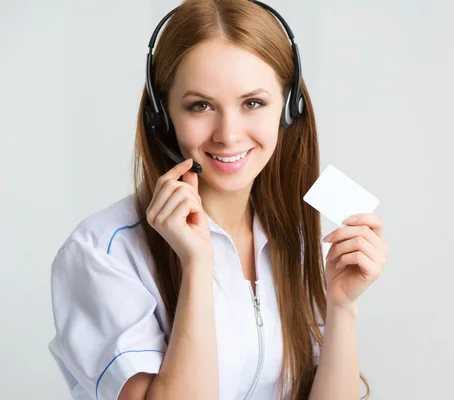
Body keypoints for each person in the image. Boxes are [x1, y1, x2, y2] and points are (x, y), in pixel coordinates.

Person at [48, 0, 389, 399]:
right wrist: (197, 266)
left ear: (289, 107)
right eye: (201, 106)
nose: (228, 134)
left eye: (253, 103)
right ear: (162, 116)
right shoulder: (102, 253)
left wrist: (341, 306)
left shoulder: (295, 237)